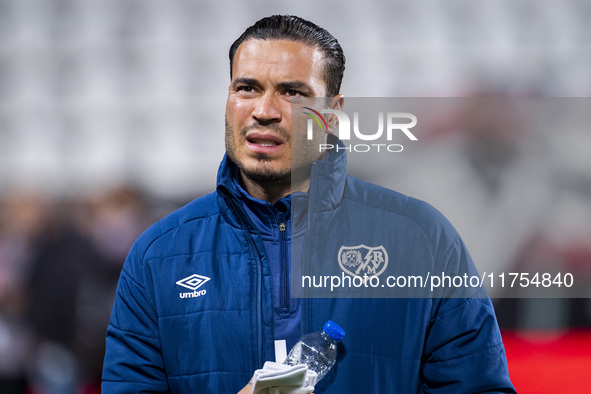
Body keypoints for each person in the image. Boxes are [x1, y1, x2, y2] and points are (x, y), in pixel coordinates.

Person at [102, 15, 516, 393]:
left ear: (331, 115)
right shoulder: (158, 256)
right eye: (246, 88)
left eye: (292, 92)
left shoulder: (422, 238)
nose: (264, 111)